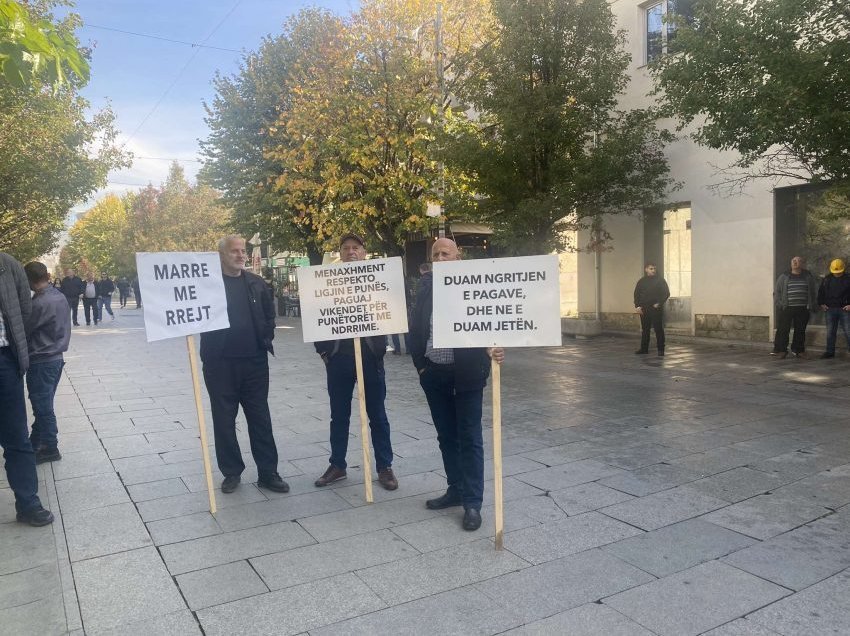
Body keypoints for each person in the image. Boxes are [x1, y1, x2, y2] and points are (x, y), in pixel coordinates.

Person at [409, 238, 504, 531]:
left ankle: (472, 503)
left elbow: (491, 320)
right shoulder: (425, 289)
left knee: (470, 438)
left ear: (458, 257)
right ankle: (455, 490)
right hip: (434, 373)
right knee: (446, 437)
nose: (440, 257)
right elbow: (416, 328)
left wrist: (494, 349)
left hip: (466, 374)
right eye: (435, 254)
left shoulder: (475, 285)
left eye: (445, 253)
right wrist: (421, 367)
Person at [200, 235, 288, 494]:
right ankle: (231, 472)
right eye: (234, 251)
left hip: (254, 363)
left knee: (260, 417)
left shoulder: (256, 283)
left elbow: (269, 316)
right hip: (220, 365)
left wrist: (265, 340)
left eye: (243, 251)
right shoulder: (207, 285)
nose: (241, 255)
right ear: (221, 255)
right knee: (224, 420)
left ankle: (268, 473)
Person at [313, 233, 398, 491]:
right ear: (340, 253)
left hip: (371, 357)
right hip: (339, 359)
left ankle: (384, 467)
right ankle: (337, 464)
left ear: (364, 252)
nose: (351, 252)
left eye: (356, 248)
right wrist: (325, 353)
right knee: (339, 415)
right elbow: (317, 316)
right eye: (346, 248)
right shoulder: (328, 283)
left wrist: (381, 347)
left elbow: (392, 310)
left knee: (378, 416)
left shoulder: (379, 280)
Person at [0, 252, 54, 526]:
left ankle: (28, 503)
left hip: (4, 361)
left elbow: (23, 312)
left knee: (17, 437)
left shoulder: (7, 267)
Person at [24, 262, 71, 463]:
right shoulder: (59, 296)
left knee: (43, 408)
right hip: (56, 359)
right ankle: (34, 442)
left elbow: (25, 330)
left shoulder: (39, 303)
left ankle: (50, 448)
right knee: (43, 404)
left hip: (41, 360)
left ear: (29, 280)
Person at [772, 256, 818, 359]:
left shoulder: (808, 276)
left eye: (798, 261)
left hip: (802, 308)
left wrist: (812, 305)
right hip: (787, 307)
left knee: (800, 330)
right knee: (783, 330)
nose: (795, 262)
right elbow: (777, 292)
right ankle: (781, 350)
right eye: (793, 261)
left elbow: (813, 292)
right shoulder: (784, 276)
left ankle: (798, 350)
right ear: (791, 263)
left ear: (802, 264)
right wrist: (779, 304)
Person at [633, 262, 670, 356]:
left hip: (655, 308)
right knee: (645, 329)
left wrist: (659, 303)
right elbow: (636, 294)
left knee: (658, 329)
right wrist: (637, 306)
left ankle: (661, 350)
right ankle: (644, 349)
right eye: (651, 268)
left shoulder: (660, 280)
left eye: (654, 268)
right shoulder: (641, 281)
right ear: (646, 269)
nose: (653, 270)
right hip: (644, 308)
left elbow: (666, 293)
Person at [817, 258, 850, 359]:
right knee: (830, 332)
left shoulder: (848, 278)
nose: (837, 274)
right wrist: (821, 303)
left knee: (848, 331)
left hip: (845, 309)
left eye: (839, 272)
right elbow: (821, 292)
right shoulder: (826, 279)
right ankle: (830, 352)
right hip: (830, 309)